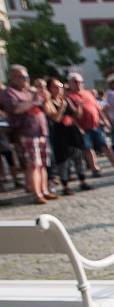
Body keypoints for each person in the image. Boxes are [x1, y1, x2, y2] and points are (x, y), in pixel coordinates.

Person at [1, 65, 52, 203]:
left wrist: (44, 98)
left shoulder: (30, 91)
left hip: (40, 131)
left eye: (27, 76)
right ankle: (37, 194)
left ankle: (44, 190)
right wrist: (34, 100)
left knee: (42, 163)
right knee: (33, 165)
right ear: (13, 77)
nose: (26, 79)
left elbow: (44, 109)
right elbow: (16, 109)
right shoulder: (9, 92)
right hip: (26, 132)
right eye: (23, 77)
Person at [66, 72, 114, 176]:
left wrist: (105, 120)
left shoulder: (88, 93)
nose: (78, 84)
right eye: (75, 82)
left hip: (96, 125)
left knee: (106, 146)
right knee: (88, 148)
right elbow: (71, 115)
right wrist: (78, 127)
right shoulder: (69, 96)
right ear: (70, 83)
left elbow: (98, 108)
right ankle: (95, 168)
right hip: (82, 127)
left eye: (80, 82)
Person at [44, 77, 89, 194]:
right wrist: (63, 107)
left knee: (78, 157)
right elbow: (56, 118)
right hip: (59, 134)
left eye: (60, 86)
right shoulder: (48, 102)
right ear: (49, 89)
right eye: (55, 87)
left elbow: (76, 116)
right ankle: (65, 186)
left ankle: (82, 180)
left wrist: (79, 106)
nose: (59, 89)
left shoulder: (66, 100)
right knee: (63, 161)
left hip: (72, 132)